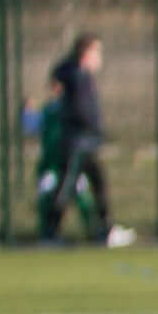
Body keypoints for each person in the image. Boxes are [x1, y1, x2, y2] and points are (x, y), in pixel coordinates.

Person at [35, 38, 113, 244]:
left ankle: (105, 229)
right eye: (97, 53)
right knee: (66, 186)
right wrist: (90, 126)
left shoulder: (81, 76)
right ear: (86, 54)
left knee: (98, 184)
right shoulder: (77, 76)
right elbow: (80, 109)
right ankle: (50, 231)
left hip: (86, 141)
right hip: (77, 141)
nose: (99, 59)